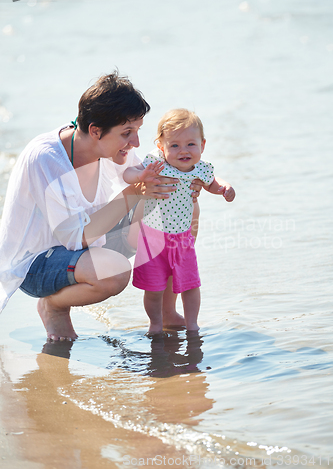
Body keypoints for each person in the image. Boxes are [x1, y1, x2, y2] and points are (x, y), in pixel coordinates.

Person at [0, 73, 202, 342]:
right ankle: (53, 306)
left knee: (176, 210)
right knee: (115, 272)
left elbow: (147, 176)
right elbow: (75, 238)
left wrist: (188, 182)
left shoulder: (112, 147)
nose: (135, 143)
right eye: (127, 133)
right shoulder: (47, 159)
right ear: (95, 130)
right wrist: (133, 192)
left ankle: (167, 310)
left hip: (88, 243)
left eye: (137, 131)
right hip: (37, 264)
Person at [123, 108, 235, 334]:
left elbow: (212, 182)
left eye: (190, 144)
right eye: (174, 145)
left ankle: (192, 323)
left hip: (182, 237)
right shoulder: (156, 164)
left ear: (202, 145)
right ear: (161, 147)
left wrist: (224, 188)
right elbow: (128, 174)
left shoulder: (201, 169)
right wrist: (141, 176)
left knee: (189, 282)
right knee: (154, 286)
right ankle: (155, 323)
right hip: (153, 236)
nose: (183, 150)